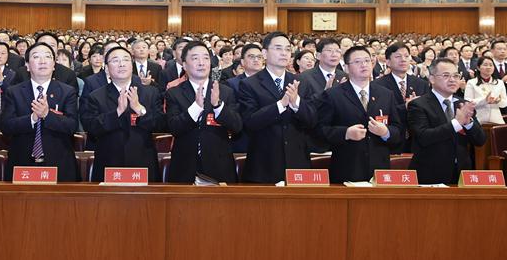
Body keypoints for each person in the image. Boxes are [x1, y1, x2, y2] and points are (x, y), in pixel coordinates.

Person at [238, 32, 317, 184]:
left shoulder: (301, 82)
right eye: (278, 48)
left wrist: (296, 103)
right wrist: (281, 104)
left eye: (288, 49)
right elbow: (250, 122)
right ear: (265, 53)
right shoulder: (249, 84)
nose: (284, 53)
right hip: (264, 164)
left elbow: (312, 120)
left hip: (297, 163)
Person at [316, 46, 401, 184]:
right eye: (357, 62)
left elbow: (398, 130)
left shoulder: (386, 94)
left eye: (367, 60)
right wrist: (346, 133)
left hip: (379, 171)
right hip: (347, 169)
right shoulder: (333, 95)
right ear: (346, 68)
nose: (364, 65)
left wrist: (386, 132)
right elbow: (320, 131)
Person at [80, 46, 164, 182]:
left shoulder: (150, 93)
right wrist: (117, 112)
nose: (121, 64)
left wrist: (140, 109)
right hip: (108, 163)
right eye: (115, 60)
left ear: (132, 66)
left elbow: (160, 124)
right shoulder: (96, 96)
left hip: (143, 163)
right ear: (106, 68)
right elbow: (91, 127)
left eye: (126, 60)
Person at [165, 41, 242, 184]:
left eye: (206, 58)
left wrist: (218, 106)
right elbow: (174, 128)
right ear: (184, 65)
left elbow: (237, 126)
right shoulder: (174, 93)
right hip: (184, 167)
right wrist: (196, 108)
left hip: (220, 167)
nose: (201, 63)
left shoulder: (225, 91)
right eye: (195, 58)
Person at [1, 42, 79, 182]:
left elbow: (72, 126)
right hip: (22, 162)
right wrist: (32, 118)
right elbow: (6, 126)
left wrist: (47, 115)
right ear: (27, 65)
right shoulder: (14, 92)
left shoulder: (67, 91)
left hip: (59, 163)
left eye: (48, 57)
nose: (43, 61)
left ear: (54, 64)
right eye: (36, 57)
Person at [408, 58, 487, 185]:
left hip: (461, 174)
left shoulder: (463, 104)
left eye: (456, 75)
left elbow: (480, 140)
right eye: (446, 75)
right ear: (432, 78)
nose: (452, 79)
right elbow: (424, 137)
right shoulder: (418, 105)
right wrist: (457, 123)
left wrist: (468, 123)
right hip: (430, 174)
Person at [374, 42, 430, 152]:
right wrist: (405, 106)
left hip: (416, 142)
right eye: (398, 56)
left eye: (406, 56)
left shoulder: (421, 83)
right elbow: (379, 113)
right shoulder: (378, 85)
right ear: (388, 62)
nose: (403, 59)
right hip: (390, 142)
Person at [464, 57, 507, 126]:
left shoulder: (499, 82)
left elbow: (505, 103)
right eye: (485, 65)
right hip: (479, 120)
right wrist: (485, 100)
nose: (488, 67)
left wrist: (498, 101)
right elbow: (468, 102)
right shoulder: (471, 82)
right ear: (478, 67)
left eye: (491, 65)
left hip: (496, 120)